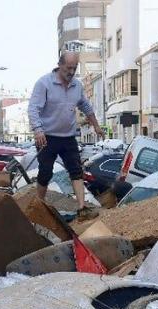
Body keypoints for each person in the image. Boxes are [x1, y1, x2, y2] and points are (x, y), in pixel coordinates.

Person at [28, 51, 105, 220]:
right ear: (60, 65)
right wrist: (38, 130)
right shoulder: (44, 83)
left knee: (76, 171)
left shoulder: (77, 86)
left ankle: (82, 208)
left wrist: (97, 126)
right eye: (68, 68)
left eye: (74, 68)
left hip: (68, 136)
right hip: (47, 136)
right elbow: (33, 108)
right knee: (45, 172)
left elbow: (86, 106)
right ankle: (37, 206)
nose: (71, 71)